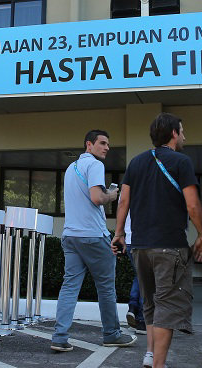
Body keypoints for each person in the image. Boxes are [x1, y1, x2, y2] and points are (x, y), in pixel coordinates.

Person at [112, 113, 202, 368]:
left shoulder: (136, 162)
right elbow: (192, 206)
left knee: (151, 304)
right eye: (183, 130)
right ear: (174, 134)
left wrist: (119, 234)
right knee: (168, 304)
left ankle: (151, 354)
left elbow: (123, 202)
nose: (185, 135)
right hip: (170, 245)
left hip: (139, 245)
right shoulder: (182, 162)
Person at [51, 129, 136, 351]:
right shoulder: (96, 165)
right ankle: (111, 334)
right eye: (102, 143)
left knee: (69, 287)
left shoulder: (71, 168)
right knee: (106, 288)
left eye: (108, 144)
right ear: (89, 145)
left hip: (70, 237)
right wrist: (112, 195)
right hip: (93, 236)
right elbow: (97, 197)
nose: (107, 147)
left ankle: (59, 337)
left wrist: (103, 193)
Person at [124, 212, 147, 335]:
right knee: (146, 278)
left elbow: (122, 207)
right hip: (145, 239)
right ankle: (141, 320)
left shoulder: (126, 191)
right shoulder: (150, 191)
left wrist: (119, 234)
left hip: (129, 238)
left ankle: (133, 308)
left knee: (139, 276)